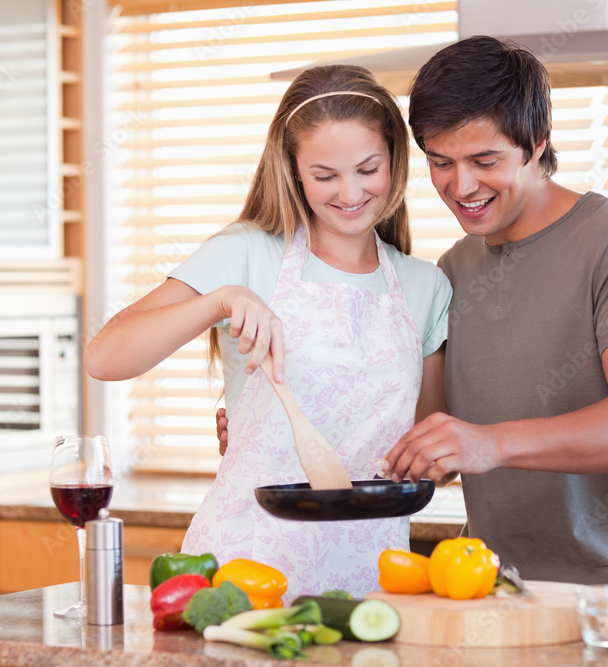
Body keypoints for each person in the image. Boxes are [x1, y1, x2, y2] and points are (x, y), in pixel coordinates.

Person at [84, 64, 451, 597]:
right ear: (294, 171)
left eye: (367, 168)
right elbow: (105, 357)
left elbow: (428, 451)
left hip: (371, 573)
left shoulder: (426, 288)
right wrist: (220, 300)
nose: (350, 192)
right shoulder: (247, 253)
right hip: (243, 562)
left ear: (395, 158)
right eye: (325, 176)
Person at [378, 36, 608, 587]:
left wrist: (492, 443)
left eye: (484, 160)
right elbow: (435, 447)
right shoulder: (450, 270)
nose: (460, 186)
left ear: (537, 142)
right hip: (487, 595)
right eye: (441, 162)